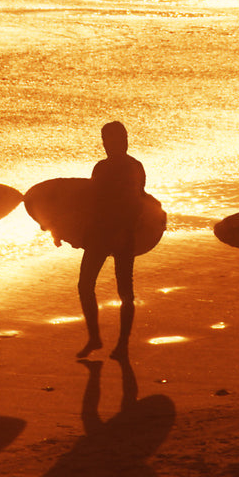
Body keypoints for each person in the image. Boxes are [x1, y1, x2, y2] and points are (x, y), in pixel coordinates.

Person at [76, 121, 146, 360]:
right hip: (100, 233)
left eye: (115, 139)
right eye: (106, 140)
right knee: (86, 285)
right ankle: (95, 338)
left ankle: (122, 344)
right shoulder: (105, 167)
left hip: (121, 233)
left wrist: (125, 230)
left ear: (124, 140)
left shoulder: (130, 167)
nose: (109, 144)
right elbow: (91, 203)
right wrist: (72, 233)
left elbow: (137, 201)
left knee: (124, 291)